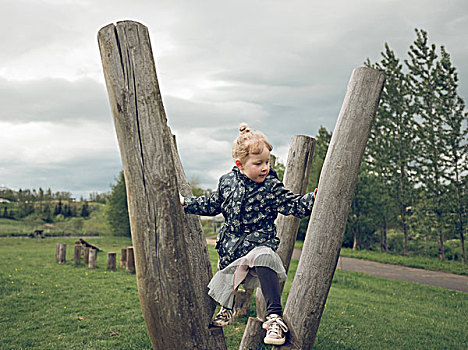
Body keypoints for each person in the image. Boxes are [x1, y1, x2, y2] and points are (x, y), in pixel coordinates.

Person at [180, 123, 317, 346]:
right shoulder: (227, 183)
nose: (265, 168)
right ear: (240, 164)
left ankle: (274, 318)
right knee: (226, 275)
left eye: (267, 162)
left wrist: (312, 199)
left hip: (259, 243)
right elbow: (212, 204)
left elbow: (291, 203)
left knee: (264, 258)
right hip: (232, 246)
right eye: (258, 163)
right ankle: (227, 308)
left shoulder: (271, 186)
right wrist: (186, 203)